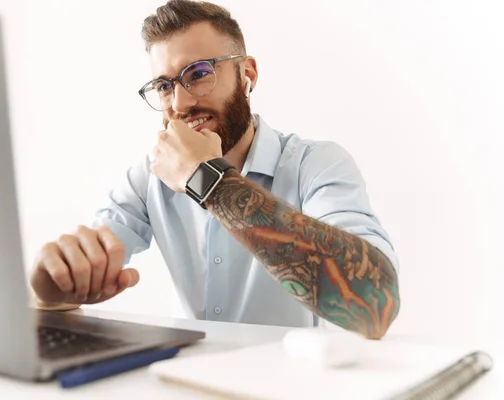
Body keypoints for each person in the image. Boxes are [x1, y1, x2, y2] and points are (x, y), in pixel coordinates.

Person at [30, 0, 400, 339]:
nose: (180, 102)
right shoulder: (150, 177)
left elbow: (375, 304)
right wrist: (54, 285)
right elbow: (89, 258)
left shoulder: (316, 164)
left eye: (199, 73)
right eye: (164, 85)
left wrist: (207, 180)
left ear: (247, 74)